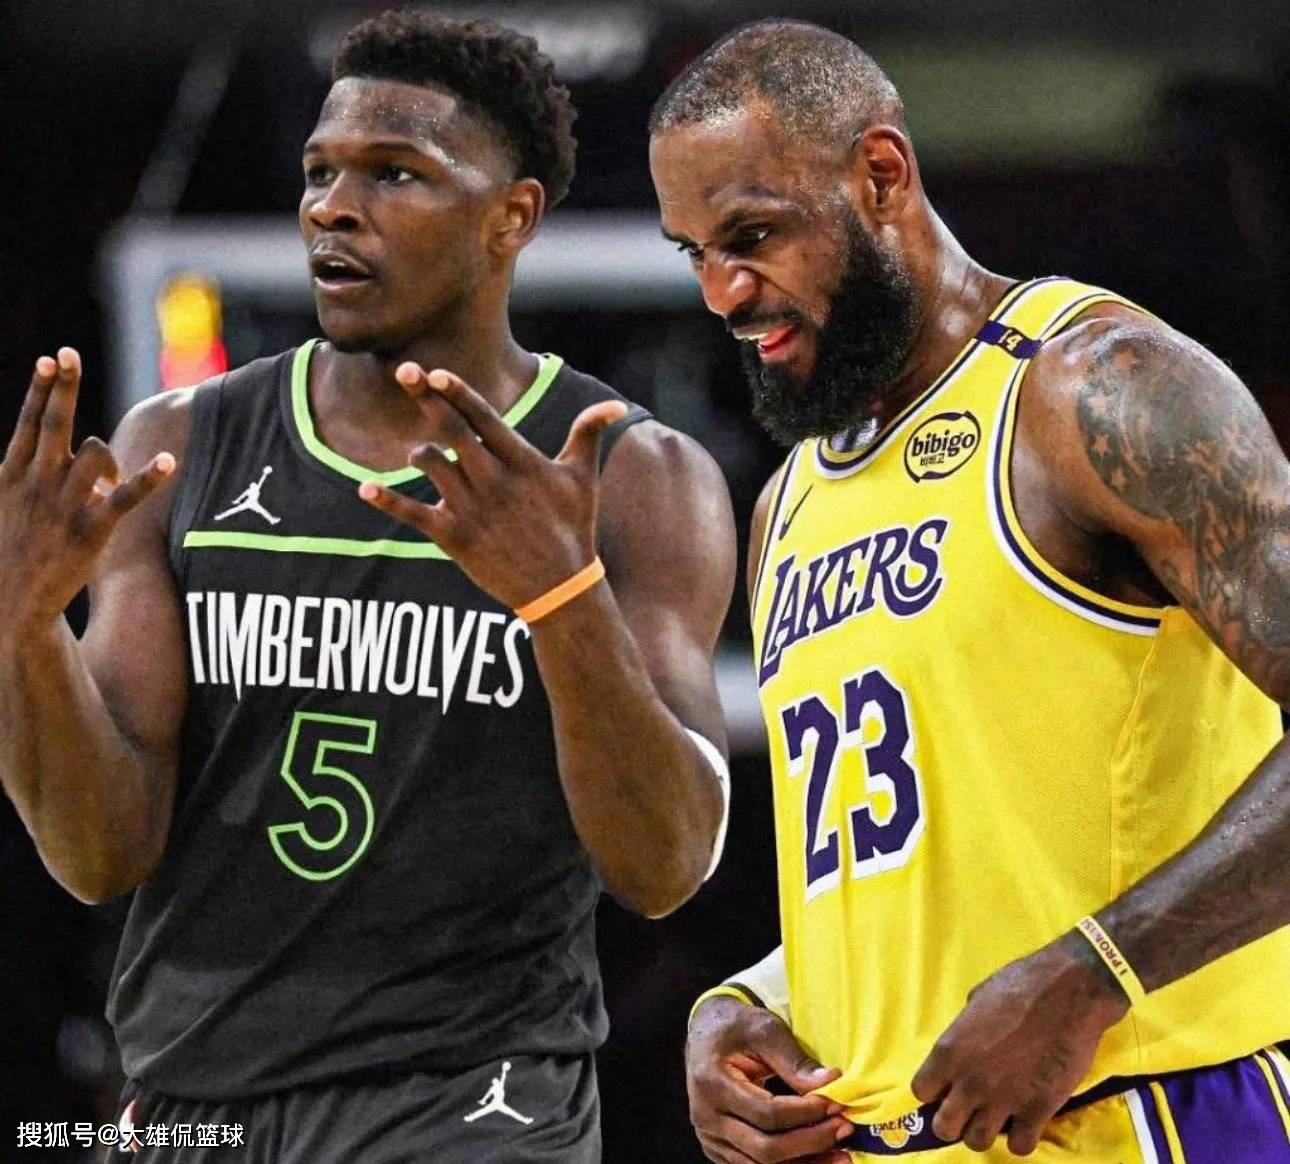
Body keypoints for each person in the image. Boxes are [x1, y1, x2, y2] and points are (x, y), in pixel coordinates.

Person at [0, 11, 736, 1162]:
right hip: (195, 1104)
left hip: (473, 1106)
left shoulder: (636, 475)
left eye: (394, 173)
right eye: (319, 173)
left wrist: (560, 602)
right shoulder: (178, 446)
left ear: (511, 217)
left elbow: (667, 865)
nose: (332, 209)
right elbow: (101, 852)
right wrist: (25, 629)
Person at [647, 18, 1290, 1164]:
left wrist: (1099, 972)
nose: (722, 292)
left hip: (1156, 1117)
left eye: (752, 235)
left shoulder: (1094, 390)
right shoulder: (789, 504)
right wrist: (749, 1006)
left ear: (880, 175)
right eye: (693, 251)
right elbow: (918, 868)